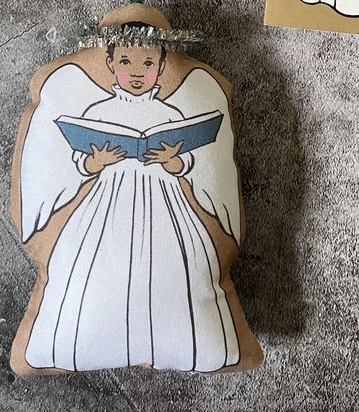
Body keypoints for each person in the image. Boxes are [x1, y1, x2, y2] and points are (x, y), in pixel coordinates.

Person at [24, 24, 239, 372]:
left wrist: (175, 161)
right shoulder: (98, 111)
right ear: (110, 64)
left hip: (165, 206)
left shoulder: (170, 114)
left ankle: (189, 339)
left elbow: (189, 161)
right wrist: (95, 161)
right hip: (108, 206)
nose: (137, 73)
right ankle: (73, 340)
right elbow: (80, 160)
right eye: (126, 61)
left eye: (148, 64)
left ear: (161, 67)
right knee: (94, 266)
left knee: (172, 268)